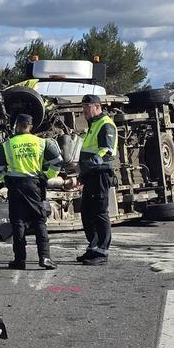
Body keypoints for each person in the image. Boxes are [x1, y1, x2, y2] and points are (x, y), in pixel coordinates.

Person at [0, 113, 62, 270]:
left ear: (16, 125)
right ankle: (45, 258)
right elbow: (58, 162)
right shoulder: (42, 143)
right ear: (31, 126)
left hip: (15, 187)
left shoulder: (8, 145)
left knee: (18, 223)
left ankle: (20, 260)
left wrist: (5, 179)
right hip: (34, 186)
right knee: (39, 221)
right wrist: (47, 176)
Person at [77, 95, 118, 265]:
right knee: (87, 212)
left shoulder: (105, 124)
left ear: (97, 107)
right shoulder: (94, 124)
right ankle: (93, 247)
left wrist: (90, 164)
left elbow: (107, 151)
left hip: (100, 174)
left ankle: (102, 251)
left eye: (87, 107)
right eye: (83, 107)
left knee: (100, 212)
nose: (84, 111)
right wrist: (83, 173)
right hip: (91, 175)